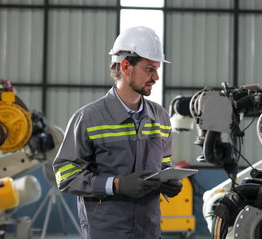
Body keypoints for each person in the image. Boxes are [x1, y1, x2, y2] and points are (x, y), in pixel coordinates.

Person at [52, 26, 183, 239]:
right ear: (125, 66)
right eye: (149, 69)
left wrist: (169, 180)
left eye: (157, 69)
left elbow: (164, 163)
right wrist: (116, 185)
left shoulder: (160, 116)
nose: (156, 77)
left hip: (149, 231)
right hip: (106, 233)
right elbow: (66, 175)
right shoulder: (88, 118)